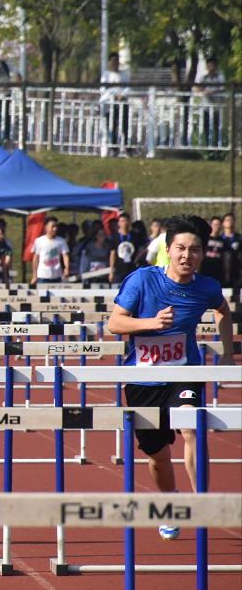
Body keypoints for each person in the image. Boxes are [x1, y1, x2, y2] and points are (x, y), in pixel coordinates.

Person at [107, 215, 235, 540]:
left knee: (191, 425)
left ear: (202, 253)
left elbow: (223, 310)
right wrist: (150, 324)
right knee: (158, 456)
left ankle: (201, 503)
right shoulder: (141, 280)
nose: (187, 256)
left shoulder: (207, 287)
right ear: (168, 249)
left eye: (194, 250)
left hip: (184, 372)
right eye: (181, 248)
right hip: (143, 380)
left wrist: (227, 351)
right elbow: (115, 324)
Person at [100, 52, 131, 154]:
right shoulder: (106, 75)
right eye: (113, 61)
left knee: (125, 126)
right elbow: (103, 90)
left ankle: (127, 147)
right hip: (110, 105)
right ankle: (114, 148)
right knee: (112, 126)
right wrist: (113, 96)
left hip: (123, 103)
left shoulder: (124, 74)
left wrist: (123, 95)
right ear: (109, 62)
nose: (115, 63)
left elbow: (128, 88)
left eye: (116, 61)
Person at [193, 58, 225, 146]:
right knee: (206, 126)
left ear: (216, 66)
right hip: (206, 106)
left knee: (217, 127)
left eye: (212, 66)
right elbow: (196, 88)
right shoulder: (204, 78)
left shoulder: (219, 77)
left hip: (217, 106)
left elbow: (223, 88)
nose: (211, 68)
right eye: (209, 66)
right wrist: (204, 91)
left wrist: (211, 92)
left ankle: (217, 146)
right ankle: (208, 145)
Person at [30, 216, 71, 284]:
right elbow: (35, 259)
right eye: (52, 226)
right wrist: (34, 276)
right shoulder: (39, 241)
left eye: (56, 226)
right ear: (46, 227)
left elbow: (65, 255)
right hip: (42, 276)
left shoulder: (61, 241)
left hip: (57, 276)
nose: (55, 229)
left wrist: (67, 268)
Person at [109, 213, 140, 284]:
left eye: (126, 220)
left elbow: (141, 248)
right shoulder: (115, 237)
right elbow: (113, 254)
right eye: (122, 221)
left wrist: (137, 259)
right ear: (119, 223)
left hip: (132, 268)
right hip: (119, 269)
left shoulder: (135, 236)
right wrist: (111, 271)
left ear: (129, 222)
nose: (124, 223)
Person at [202, 216, 227, 285]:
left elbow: (225, 257)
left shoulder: (223, 241)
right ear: (211, 225)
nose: (216, 227)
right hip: (205, 270)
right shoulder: (205, 238)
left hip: (218, 271)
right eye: (215, 224)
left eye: (218, 224)